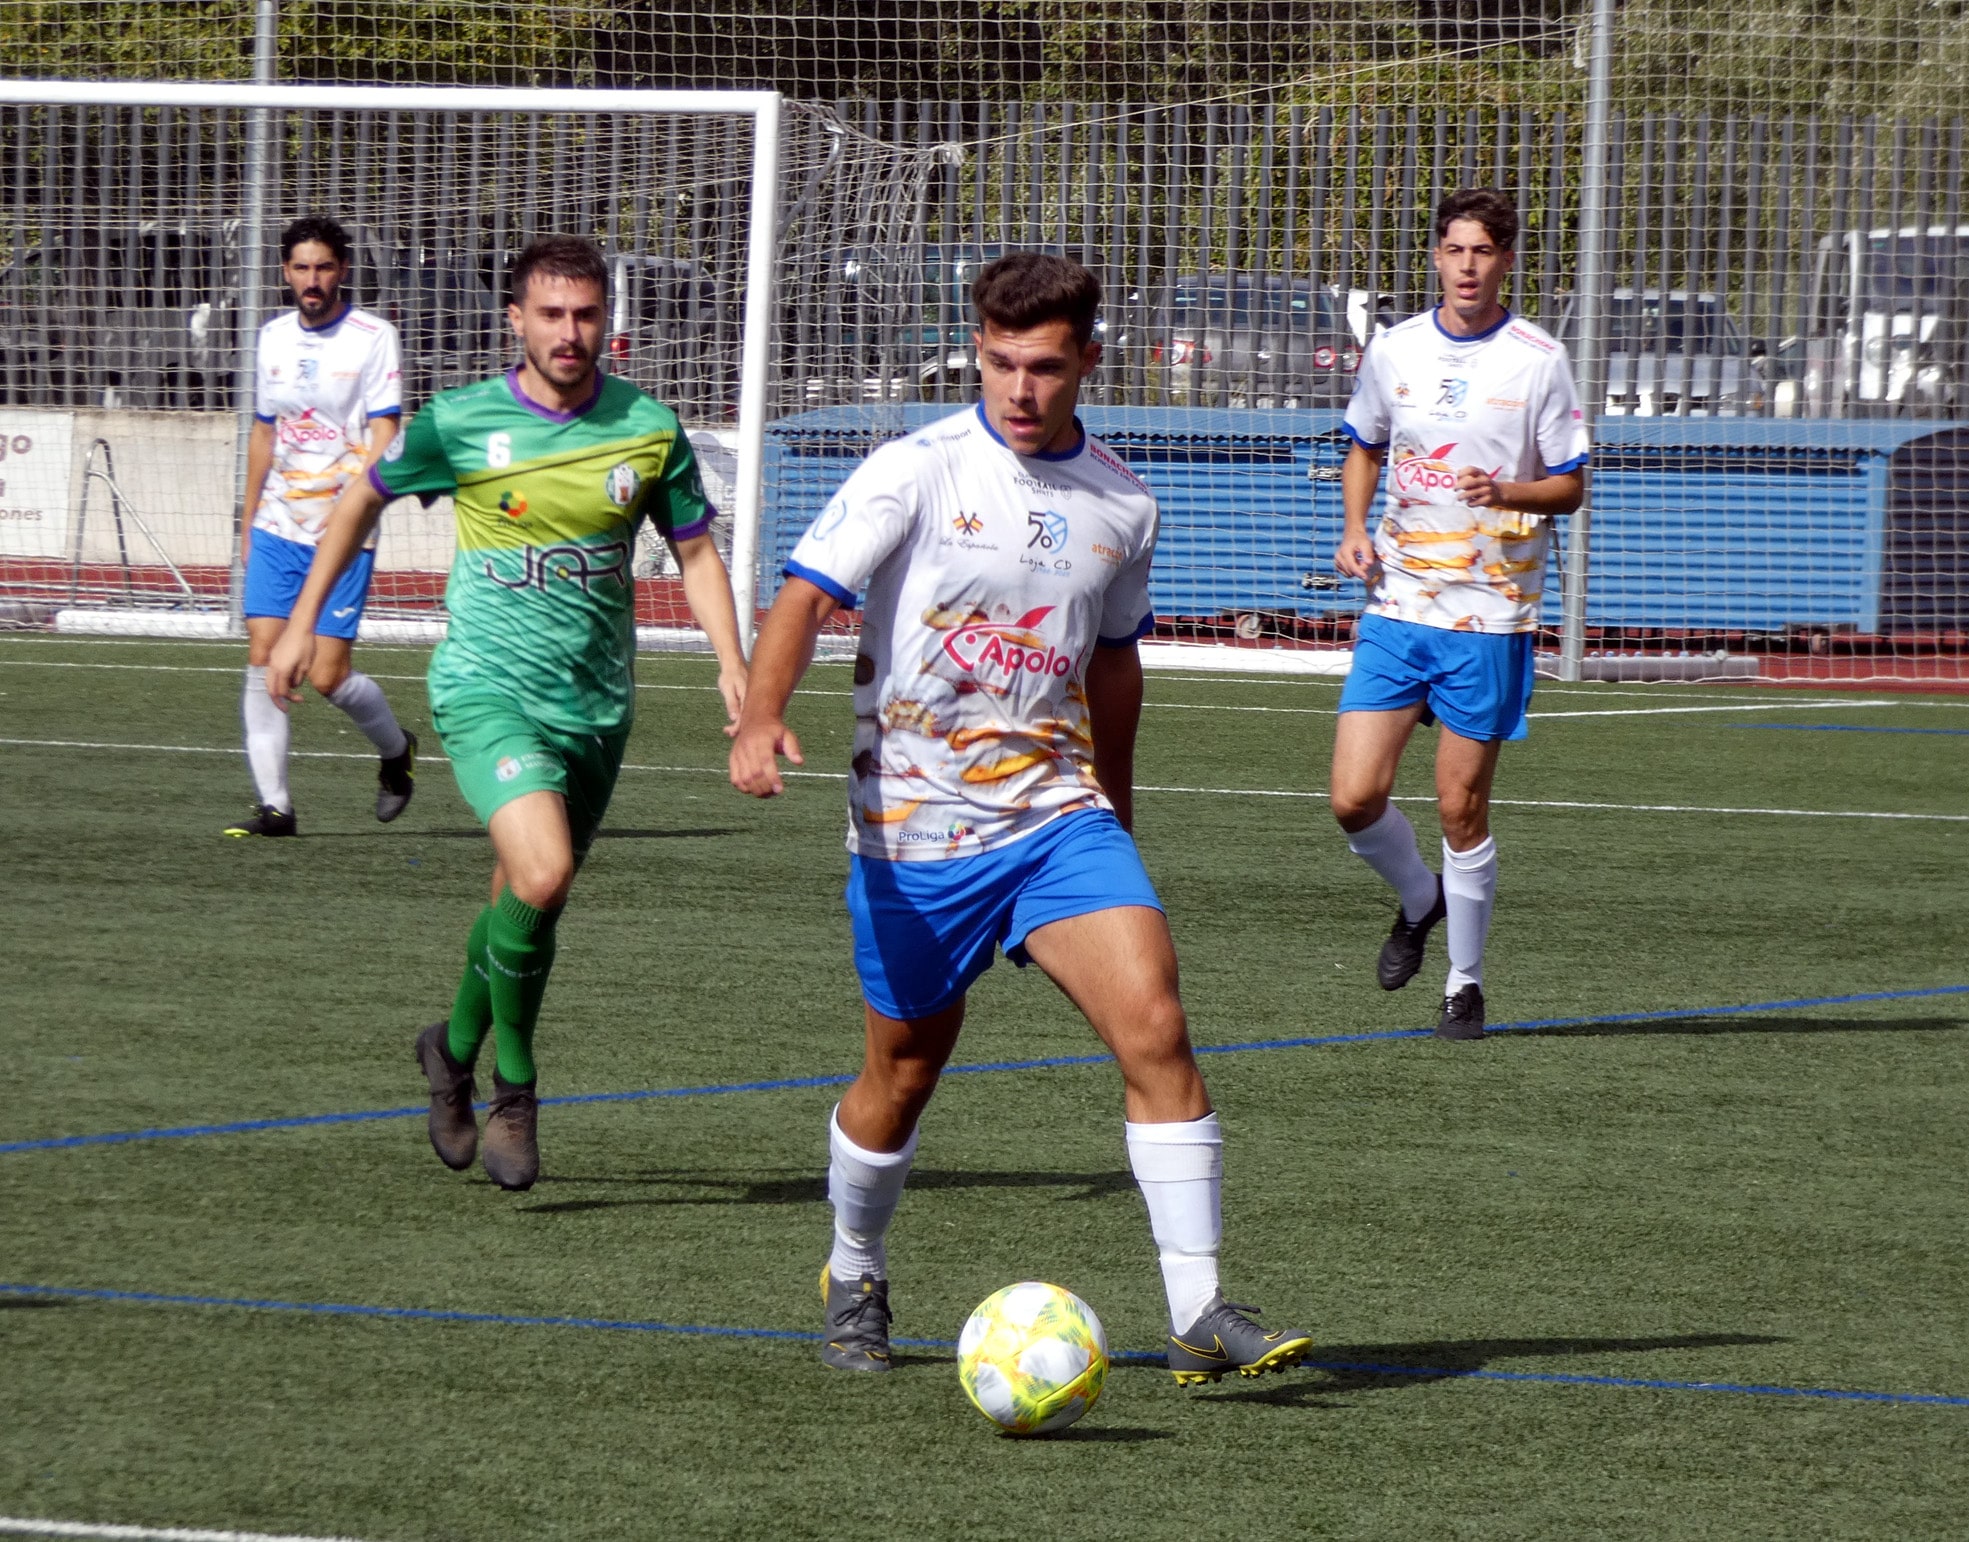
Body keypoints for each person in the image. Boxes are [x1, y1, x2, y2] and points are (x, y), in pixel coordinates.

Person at [729, 252, 1311, 1385]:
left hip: (1056, 819)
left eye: (1044, 366)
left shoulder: (1124, 502)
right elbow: (803, 596)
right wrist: (756, 716)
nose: (1019, 388)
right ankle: (854, 1265)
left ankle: (1196, 1308)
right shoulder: (915, 470)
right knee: (899, 1075)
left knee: (1155, 1020)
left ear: (1089, 358)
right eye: (999, 363)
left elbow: (1114, 660)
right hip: (915, 833)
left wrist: (1120, 808)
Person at [267, 236, 748, 1190]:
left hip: (597, 706)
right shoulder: (459, 422)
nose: (570, 333)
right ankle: (516, 1086)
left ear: (608, 319)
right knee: (544, 869)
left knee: (527, 896)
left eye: (586, 315)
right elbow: (361, 499)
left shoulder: (649, 429)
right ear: (516, 321)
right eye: (551, 315)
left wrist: (733, 664)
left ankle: (448, 1049)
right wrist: (298, 623)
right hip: (486, 688)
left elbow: (693, 552)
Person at [1330, 188, 1590, 1039]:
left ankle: (1463, 984)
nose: (1467, 266)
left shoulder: (1536, 359)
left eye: (1483, 251)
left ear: (1506, 261)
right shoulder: (1394, 350)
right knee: (1351, 797)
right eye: (1454, 250)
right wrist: (1353, 529)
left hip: (1490, 612)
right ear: (1435, 258)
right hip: (1399, 602)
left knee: (1457, 807)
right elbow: (1365, 444)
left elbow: (1570, 484)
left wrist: (1508, 489)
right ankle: (1418, 898)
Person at [226, 214, 416, 838]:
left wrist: (362, 505)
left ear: (343, 271)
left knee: (328, 674)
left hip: (343, 527)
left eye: (324, 267)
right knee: (263, 657)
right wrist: (249, 515)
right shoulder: (272, 337)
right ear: (286, 272)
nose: (313, 280)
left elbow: (386, 430)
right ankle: (276, 806)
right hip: (280, 522)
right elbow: (263, 430)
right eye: (302, 268)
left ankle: (395, 754)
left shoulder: (373, 336)